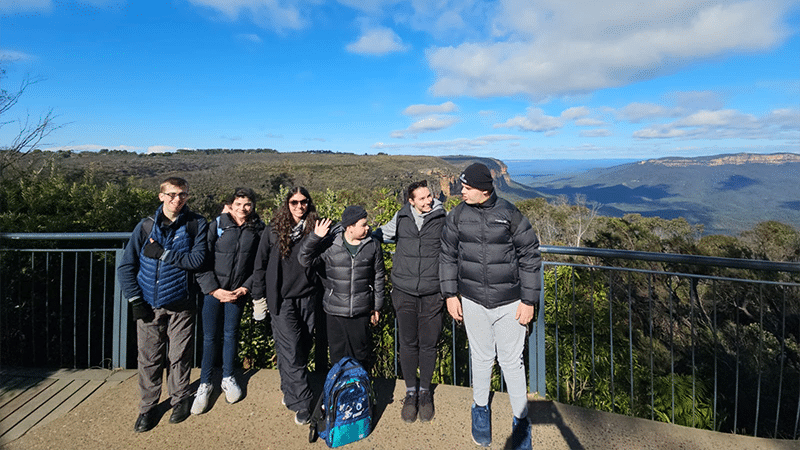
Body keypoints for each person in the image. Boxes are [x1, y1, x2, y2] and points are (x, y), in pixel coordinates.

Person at [439, 163, 541, 450]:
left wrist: (529, 301)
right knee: (481, 360)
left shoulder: (509, 213)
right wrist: (450, 295)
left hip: (511, 303)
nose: (461, 191)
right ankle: (480, 411)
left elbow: (530, 256)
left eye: (467, 187)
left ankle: (521, 422)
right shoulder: (457, 215)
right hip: (472, 300)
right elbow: (446, 255)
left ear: (484, 190)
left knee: (512, 362)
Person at [117, 177, 208, 433]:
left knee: (180, 355)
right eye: (171, 194)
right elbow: (126, 267)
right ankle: (148, 407)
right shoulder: (145, 227)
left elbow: (198, 260)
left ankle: (180, 399)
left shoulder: (195, 224)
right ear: (161, 196)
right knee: (149, 358)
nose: (176, 199)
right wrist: (135, 300)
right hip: (148, 303)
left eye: (182, 195)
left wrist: (163, 254)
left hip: (182, 302)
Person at [373, 180, 445, 423]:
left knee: (428, 343)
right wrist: (354, 235)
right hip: (403, 291)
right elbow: (380, 234)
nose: (428, 201)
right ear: (411, 201)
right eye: (422, 198)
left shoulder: (442, 216)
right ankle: (410, 392)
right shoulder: (401, 217)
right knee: (407, 342)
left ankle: (425, 392)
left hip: (432, 291)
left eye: (429, 196)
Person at [251, 187, 322, 426]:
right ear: (287, 204)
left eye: (304, 202)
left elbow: (323, 258)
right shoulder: (273, 231)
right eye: (294, 202)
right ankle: (302, 404)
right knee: (291, 350)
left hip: (308, 297)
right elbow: (260, 265)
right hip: (282, 300)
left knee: (301, 347)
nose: (299, 206)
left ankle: (288, 390)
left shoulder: (316, 228)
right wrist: (258, 297)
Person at [191, 188, 265, 415]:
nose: (244, 208)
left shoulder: (258, 229)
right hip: (213, 292)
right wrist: (214, 290)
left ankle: (228, 377)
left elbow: (260, 263)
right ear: (230, 205)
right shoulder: (217, 225)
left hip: (237, 293)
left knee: (231, 334)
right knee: (210, 337)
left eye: (248, 204)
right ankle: (205, 384)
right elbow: (202, 260)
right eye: (239, 204)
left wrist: (245, 287)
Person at [297, 205, 385, 369]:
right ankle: (340, 391)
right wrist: (315, 237)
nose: (368, 228)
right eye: (363, 225)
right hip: (335, 311)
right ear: (350, 227)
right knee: (338, 355)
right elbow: (304, 259)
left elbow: (379, 276)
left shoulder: (372, 245)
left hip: (361, 310)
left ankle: (360, 390)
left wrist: (377, 307)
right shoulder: (330, 244)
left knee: (361, 354)